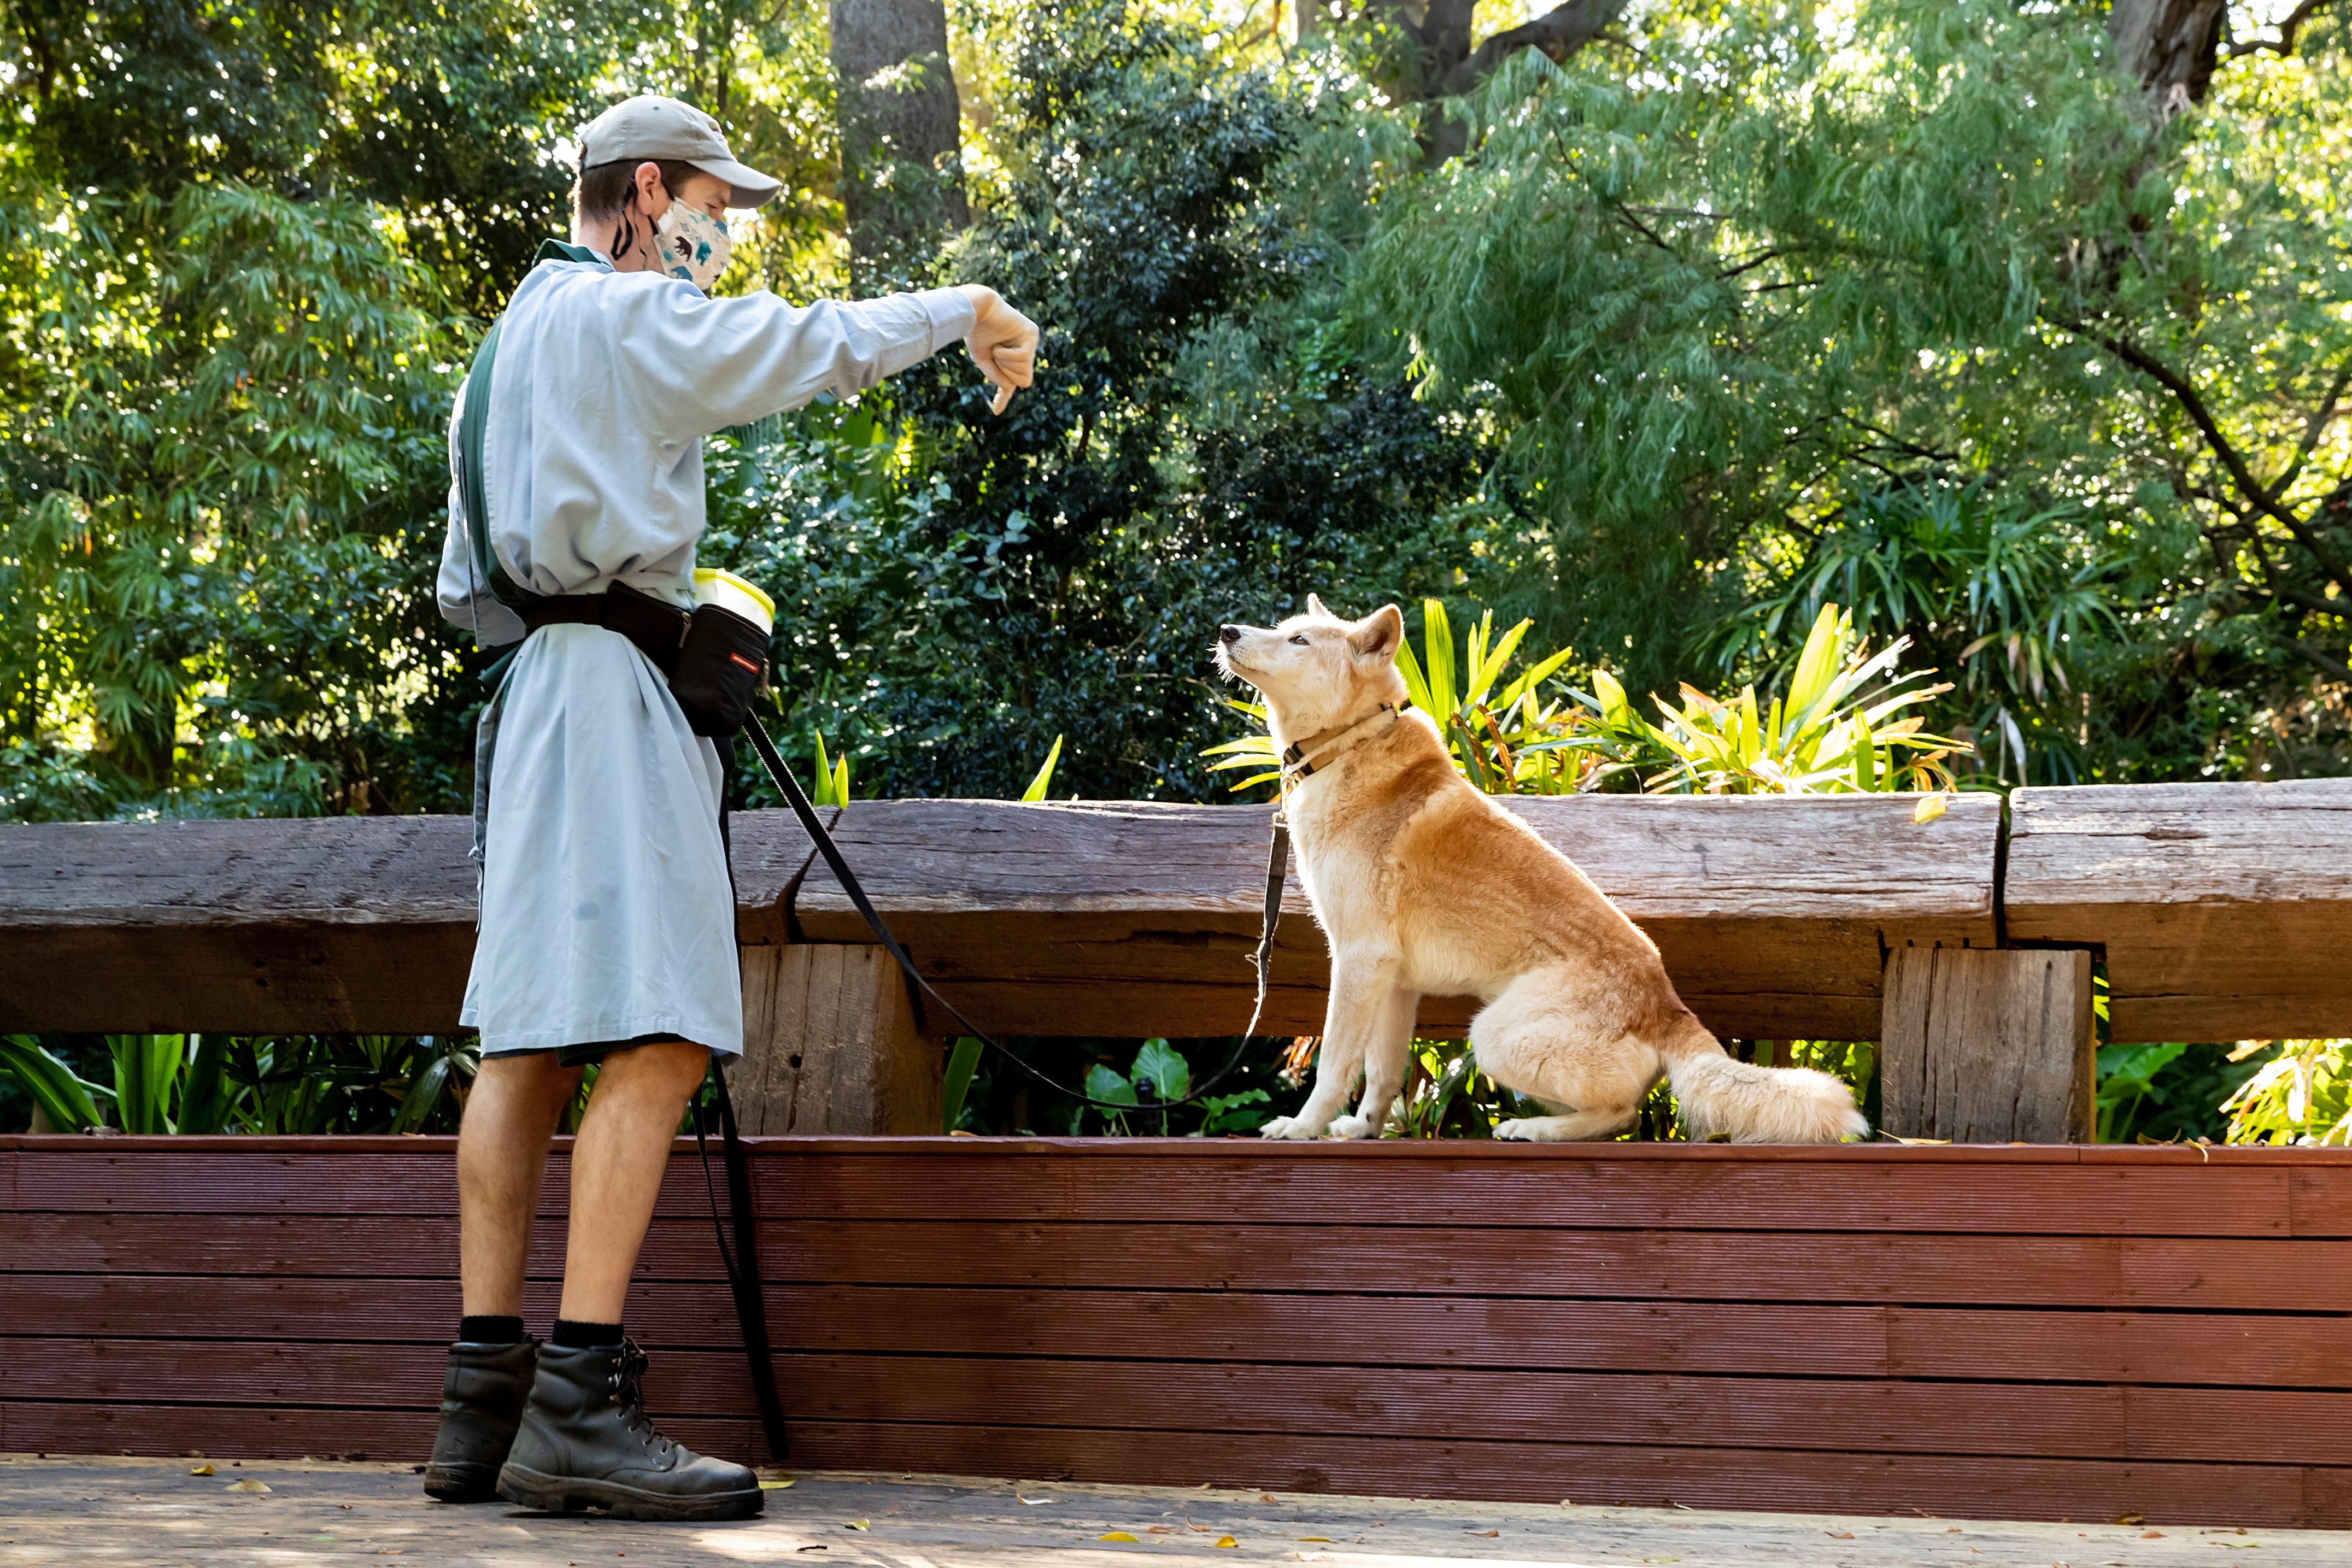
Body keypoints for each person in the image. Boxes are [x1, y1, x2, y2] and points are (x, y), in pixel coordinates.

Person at [423, 93, 1037, 1522]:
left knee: (521, 1042)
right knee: (663, 1033)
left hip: (529, 700)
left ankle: (484, 1402)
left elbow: (469, 586)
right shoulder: (628, 316)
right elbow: (803, 345)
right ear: (645, 187)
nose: (727, 232)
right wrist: (965, 307)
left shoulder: (502, 348)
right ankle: (578, 1403)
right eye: (715, 204)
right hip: (612, 704)